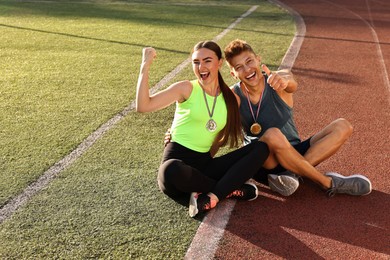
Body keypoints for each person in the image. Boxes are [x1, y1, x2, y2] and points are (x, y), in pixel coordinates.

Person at [136, 40, 270, 217]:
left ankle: (212, 195)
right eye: (196, 62)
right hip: (177, 169)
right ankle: (229, 189)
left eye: (207, 60)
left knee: (261, 148)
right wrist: (145, 65)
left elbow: (216, 140)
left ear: (219, 63)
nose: (201, 67)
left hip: (204, 165)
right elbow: (143, 105)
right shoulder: (186, 88)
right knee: (171, 169)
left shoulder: (232, 99)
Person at [222, 39, 372, 197]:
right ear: (233, 74)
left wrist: (285, 81)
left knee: (343, 126)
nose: (247, 69)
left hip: (294, 151)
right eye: (239, 67)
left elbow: (290, 82)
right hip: (265, 163)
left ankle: (292, 175)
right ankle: (328, 183)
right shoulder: (234, 96)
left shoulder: (277, 80)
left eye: (249, 61)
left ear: (258, 59)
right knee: (273, 134)